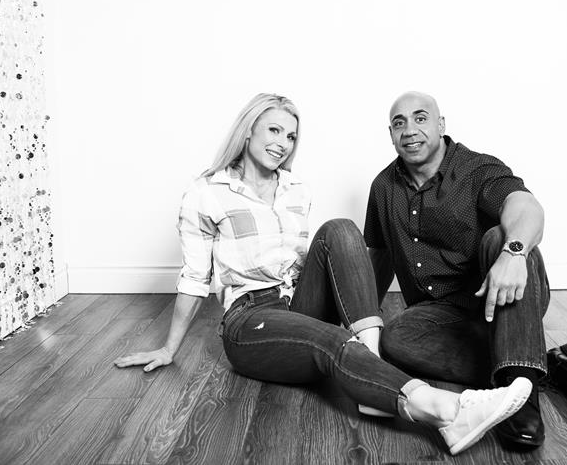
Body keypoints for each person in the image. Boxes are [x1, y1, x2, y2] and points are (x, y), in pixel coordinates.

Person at [113, 93, 533, 456]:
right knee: (336, 340)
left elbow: (323, 262)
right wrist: (169, 348)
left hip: (299, 302)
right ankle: (445, 411)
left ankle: (373, 366)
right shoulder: (207, 192)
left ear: (441, 124)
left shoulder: (296, 190)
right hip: (250, 316)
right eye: (274, 130)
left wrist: (513, 251)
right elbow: (193, 276)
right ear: (248, 130)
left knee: (341, 229)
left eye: (290, 136)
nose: (282, 143)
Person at [365, 91, 567, 450]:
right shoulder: (383, 187)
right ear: (390, 133)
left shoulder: (476, 169)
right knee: (394, 340)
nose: (409, 130)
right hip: (437, 313)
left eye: (420, 118)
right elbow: (380, 256)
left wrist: (513, 253)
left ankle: (523, 402)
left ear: (441, 124)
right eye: (398, 123)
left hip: (506, 297)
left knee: (500, 236)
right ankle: (541, 366)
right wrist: (362, 322)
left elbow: (525, 205)